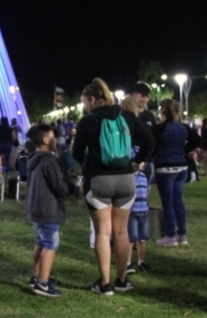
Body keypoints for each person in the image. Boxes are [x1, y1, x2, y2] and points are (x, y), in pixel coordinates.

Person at [72, 78, 155, 295]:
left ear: (92, 99)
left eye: (84, 102)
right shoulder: (126, 116)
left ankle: (104, 284)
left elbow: (77, 153)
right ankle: (122, 280)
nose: (85, 107)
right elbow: (149, 140)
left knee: (103, 232)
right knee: (121, 231)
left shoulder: (88, 121)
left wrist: (89, 163)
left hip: (99, 180)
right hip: (126, 179)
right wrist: (138, 161)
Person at [26, 124, 70, 298]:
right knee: (51, 244)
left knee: (41, 242)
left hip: (36, 207)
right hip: (48, 208)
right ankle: (43, 283)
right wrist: (72, 188)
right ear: (46, 140)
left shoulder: (34, 158)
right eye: (53, 137)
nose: (56, 140)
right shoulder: (49, 160)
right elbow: (59, 186)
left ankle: (36, 276)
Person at [152, 99, 201, 247]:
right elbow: (197, 140)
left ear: (163, 112)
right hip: (181, 166)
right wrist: (184, 150)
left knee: (168, 202)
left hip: (165, 167)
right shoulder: (183, 127)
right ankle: (182, 234)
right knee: (178, 201)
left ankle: (170, 235)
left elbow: (151, 145)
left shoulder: (159, 129)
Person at [120, 97, 152, 274]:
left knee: (141, 237)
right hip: (133, 206)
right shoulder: (139, 146)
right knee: (131, 236)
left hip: (141, 206)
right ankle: (128, 263)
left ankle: (140, 261)